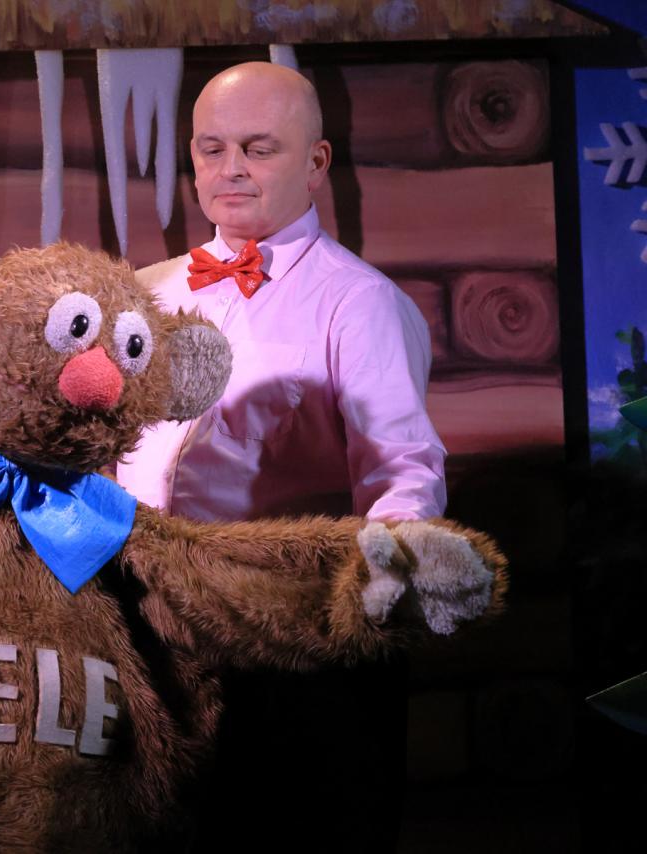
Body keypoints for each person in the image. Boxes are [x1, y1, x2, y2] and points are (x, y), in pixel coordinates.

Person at [117, 62, 446, 850]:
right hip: (147, 624)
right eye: (213, 149)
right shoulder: (145, 291)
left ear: (317, 163)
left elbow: (403, 468)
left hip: (287, 642)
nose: (231, 169)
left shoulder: (358, 301)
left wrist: (377, 587)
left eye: (259, 149)